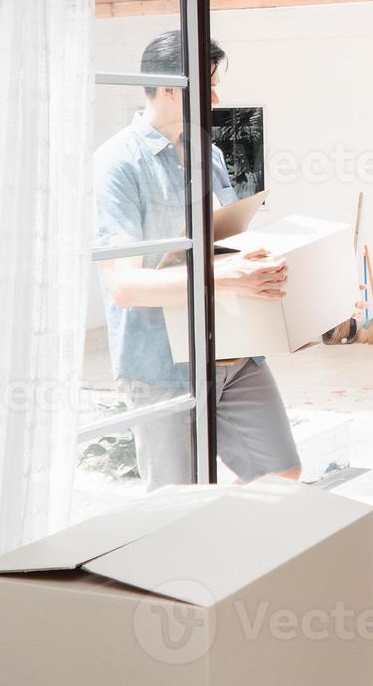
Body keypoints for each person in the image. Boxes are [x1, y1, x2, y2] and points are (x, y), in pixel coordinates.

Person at [93, 30, 301, 489]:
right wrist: (226, 276)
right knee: (175, 500)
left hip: (231, 348)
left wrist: (262, 263)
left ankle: (224, 549)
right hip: (161, 365)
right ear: (171, 88)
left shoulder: (209, 153)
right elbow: (125, 287)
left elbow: (225, 239)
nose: (216, 95)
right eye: (208, 82)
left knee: (280, 471)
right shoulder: (117, 163)